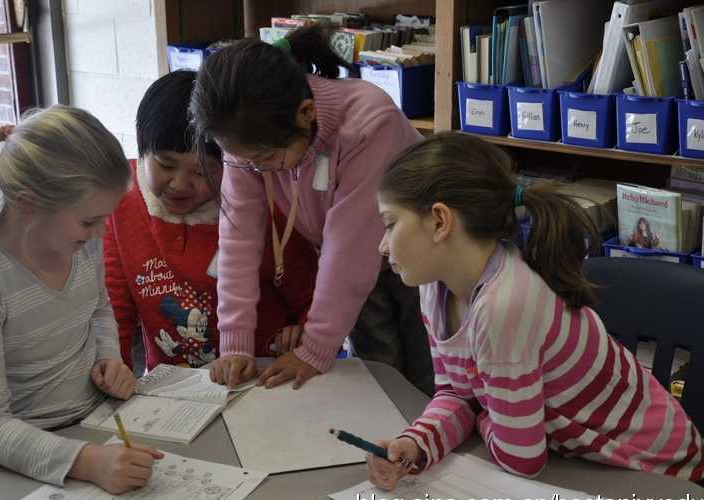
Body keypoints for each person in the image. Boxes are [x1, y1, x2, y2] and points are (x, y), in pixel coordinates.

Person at [367, 132, 704, 490]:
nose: (382, 246)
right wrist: (417, 444)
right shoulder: (433, 287)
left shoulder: (504, 306)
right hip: (581, 459)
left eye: (390, 224)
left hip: (655, 469)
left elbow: (521, 459)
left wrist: (480, 415)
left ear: (439, 221)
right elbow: (456, 395)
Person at [190, 26, 433, 392]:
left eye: (267, 159)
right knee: (377, 375)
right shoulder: (248, 141)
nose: (259, 169)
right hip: (358, 264)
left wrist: (315, 348)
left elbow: (349, 247)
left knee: (429, 374)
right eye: (247, 161)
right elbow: (238, 240)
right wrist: (235, 343)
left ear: (306, 113)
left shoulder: (367, 122)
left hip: (426, 255)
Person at [0, 106, 163, 494]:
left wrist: (108, 358)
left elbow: (98, 309)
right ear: (28, 203)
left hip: (94, 425)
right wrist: (86, 462)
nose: (99, 234)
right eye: (89, 221)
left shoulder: (79, 244)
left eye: (103, 220)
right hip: (24, 456)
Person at [104, 70, 317, 372]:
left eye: (202, 172)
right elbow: (116, 311)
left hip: (260, 379)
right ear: (141, 144)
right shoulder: (123, 199)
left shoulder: (261, 206)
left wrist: (303, 334)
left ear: (234, 162)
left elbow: (311, 295)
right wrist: (117, 375)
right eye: (165, 164)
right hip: (175, 391)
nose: (179, 184)